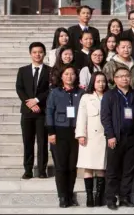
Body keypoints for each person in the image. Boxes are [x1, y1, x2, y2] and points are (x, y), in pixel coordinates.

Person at [46, 65, 84, 208]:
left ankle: (70, 194)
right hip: (59, 132)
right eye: (66, 74)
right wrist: (51, 132)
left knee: (72, 167)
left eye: (72, 74)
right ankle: (62, 196)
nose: (69, 77)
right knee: (61, 167)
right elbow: (49, 112)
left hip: (75, 133)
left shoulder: (81, 93)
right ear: (61, 76)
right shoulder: (55, 92)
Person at [101, 67, 134, 210]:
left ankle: (125, 197)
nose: (124, 78)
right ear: (115, 79)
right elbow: (105, 117)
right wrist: (110, 135)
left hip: (131, 137)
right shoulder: (109, 95)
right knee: (112, 169)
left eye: (127, 76)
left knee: (128, 169)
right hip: (115, 138)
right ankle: (110, 198)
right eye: (121, 76)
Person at [16, 42, 52, 179]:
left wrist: (37, 100)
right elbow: (19, 89)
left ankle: (42, 170)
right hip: (27, 112)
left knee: (42, 142)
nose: (38, 54)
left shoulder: (50, 70)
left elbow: (50, 89)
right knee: (28, 141)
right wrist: (30, 104)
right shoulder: (23, 70)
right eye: (35, 52)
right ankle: (28, 169)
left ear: (44, 53)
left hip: (42, 112)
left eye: (40, 52)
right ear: (30, 54)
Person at [75, 72, 108, 207]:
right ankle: (89, 196)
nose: (101, 84)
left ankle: (99, 196)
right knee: (88, 167)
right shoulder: (86, 97)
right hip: (89, 136)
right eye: (98, 81)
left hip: (104, 136)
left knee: (101, 167)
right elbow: (81, 116)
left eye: (103, 81)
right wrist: (81, 134)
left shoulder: (109, 96)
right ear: (93, 83)